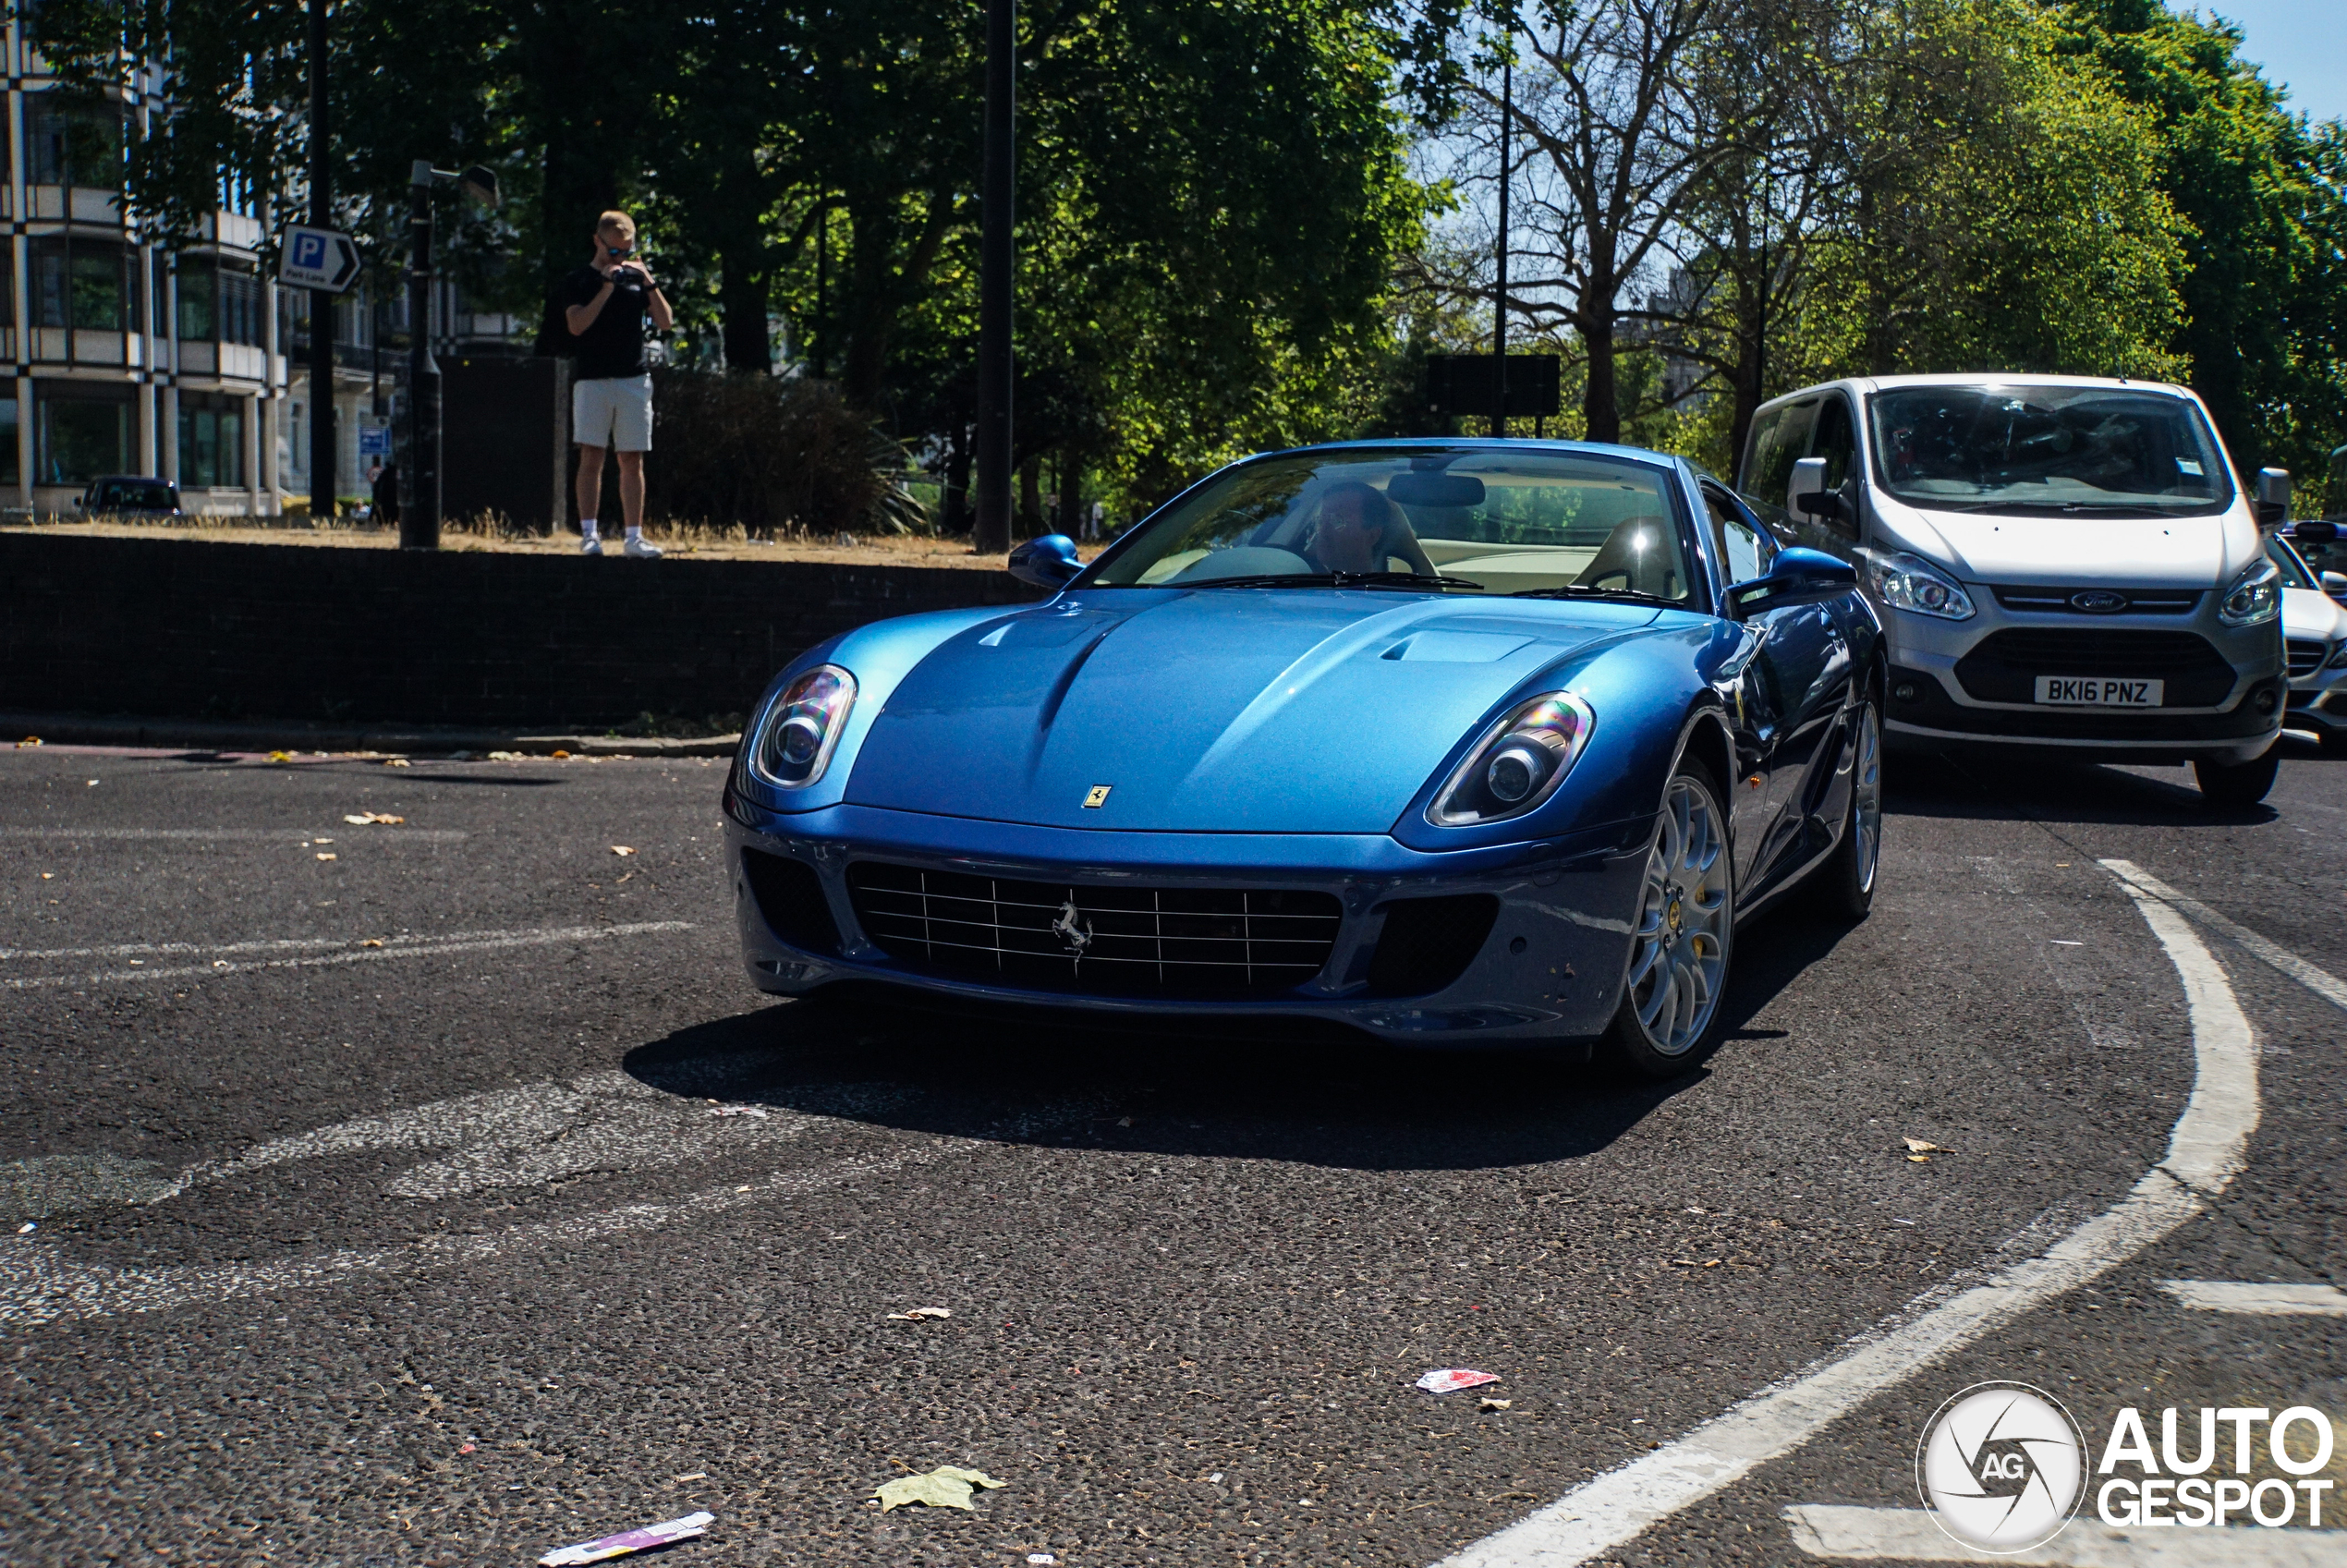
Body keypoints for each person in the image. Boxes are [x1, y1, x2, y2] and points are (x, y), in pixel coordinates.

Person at [557, 211, 673, 557]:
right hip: (593, 380)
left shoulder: (637, 281)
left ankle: (633, 537)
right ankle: (590, 534)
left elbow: (665, 322)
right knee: (591, 456)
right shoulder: (579, 280)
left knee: (631, 458)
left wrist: (647, 279)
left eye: (627, 250)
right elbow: (576, 326)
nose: (620, 258)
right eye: (614, 251)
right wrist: (607, 286)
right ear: (598, 241)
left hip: (633, 379)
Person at [1303, 481, 1434, 575]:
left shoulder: (1390, 597)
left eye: (1338, 521)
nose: (1322, 532)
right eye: (1320, 521)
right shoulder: (1294, 584)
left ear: (1372, 536)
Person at [371, 460, 400, 529]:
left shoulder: (383, 477)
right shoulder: (393, 477)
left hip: (385, 504)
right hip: (390, 504)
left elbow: (375, 496)